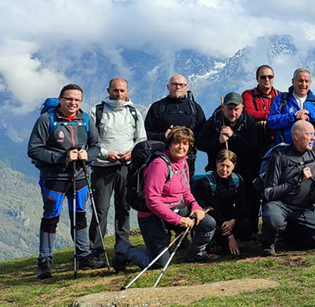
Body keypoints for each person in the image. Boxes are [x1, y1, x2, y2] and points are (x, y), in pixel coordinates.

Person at [116, 126, 217, 267]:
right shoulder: (159, 165)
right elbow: (152, 201)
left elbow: (186, 191)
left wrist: (195, 207)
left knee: (208, 224)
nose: (181, 147)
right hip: (152, 214)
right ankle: (123, 248)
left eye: (185, 143)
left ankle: (195, 254)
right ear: (169, 144)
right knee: (158, 264)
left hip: (175, 208)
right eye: (177, 143)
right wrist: (179, 220)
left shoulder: (183, 163)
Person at [28, 84, 101, 279]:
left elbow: (96, 145)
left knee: (80, 215)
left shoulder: (85, 119)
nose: (73, 103)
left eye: (77, 100)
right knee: (51, 217)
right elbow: (34, 150)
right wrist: (63, 157)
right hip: (54, 177)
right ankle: (44, 261)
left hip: (80, 176)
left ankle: (83, 255)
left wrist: (88, 155)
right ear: (60, 99)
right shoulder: (46, 120)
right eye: (69, 99)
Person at [87, 78, 147, 272]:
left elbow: (141, 139)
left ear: (127, 90)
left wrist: (132, 152)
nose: (119, 94)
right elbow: (91, 141)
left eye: (122, 90)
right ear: (108, 91)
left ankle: (122, 248)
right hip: (102, 166)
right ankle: (96, 251)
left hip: (125, 166)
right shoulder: (96, 112)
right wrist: (106, 154)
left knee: (124, 207)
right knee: (100, 209)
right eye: (115, 91)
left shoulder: (134, 113)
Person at [260, 121, 315, 256]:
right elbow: (268, 193)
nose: (314, 138)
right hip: (280, 205)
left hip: (302, 209)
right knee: (274, 219)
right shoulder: (279, 155)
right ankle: (267, 245)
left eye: (313, 134)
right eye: (309, 134)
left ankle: (291, 237)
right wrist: (296, 180)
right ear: (296, 136)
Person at [192, 149, 253, 256]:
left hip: (229, 217)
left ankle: (227, 243)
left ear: (234, 166)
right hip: (214, 218)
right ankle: (218, 242)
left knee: (246, 225)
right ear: (216, 163)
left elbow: (241, 204)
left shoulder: (237, 180)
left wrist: (233, 220)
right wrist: (230, 235)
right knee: (214, 229)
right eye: (221, 165)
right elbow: (212, 208)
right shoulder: (206, 183)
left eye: (228, 166)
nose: (224, 169)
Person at [145, 74, 206, 178]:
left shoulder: (195, 108)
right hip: (161, 158)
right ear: (168, 87)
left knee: (185, 188)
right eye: (174, 84)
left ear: (186, 87)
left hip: (187, 160)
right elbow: (145, 133)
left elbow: (203, 134)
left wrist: (189, 140)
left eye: (181, 85)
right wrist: (163, 136)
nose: (178, 87)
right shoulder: (157, 107)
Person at [196, 92, 259, 183]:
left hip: (243, 172)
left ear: (242, 108)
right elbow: (200, 144)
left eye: (236, 109)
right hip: (217, 172)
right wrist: (218, 141)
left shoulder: (249, 123)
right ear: (223, 108)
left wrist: (234, 136)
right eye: (229, 109)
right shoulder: (214, 121)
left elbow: (253, 148)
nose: (233, 113)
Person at [267, 68, 315, 145]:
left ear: (310, 83)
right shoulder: (282, 99)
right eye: (300, 80)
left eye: (306, 81)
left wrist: (310, 115)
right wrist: (294, 116)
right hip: (286, 149)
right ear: (293, 81)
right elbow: (271, 122)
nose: (303, 84)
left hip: (310, 150)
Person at [242, 64, 281, 160]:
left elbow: (284, 116)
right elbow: (249, 113)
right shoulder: (248, 94)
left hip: (276, 141)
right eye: (263, 77)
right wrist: (272, 117)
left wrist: (264, 119)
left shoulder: (281, 96)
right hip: (254, 142)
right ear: (257, 79)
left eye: (270, 77)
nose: (267, 79)